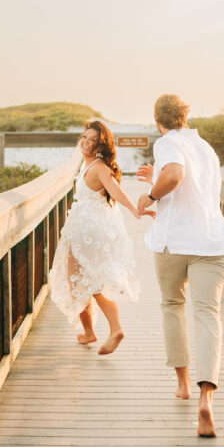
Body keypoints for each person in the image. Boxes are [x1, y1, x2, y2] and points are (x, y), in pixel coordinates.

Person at [137, 94, 224, 437]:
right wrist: (156, 178)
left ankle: (182, 384)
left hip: (173, 241)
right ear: (185, 117)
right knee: (208, 314)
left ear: (158, 121)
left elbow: (175, 175)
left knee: (172, 305)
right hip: (209, 240)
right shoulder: (205, 148)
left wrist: (149, 195)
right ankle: (206, 397)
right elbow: (190, 183)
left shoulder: (167, 142)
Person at [49, 120, 150, 355]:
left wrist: (135, 209)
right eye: (84, 137)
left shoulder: (98, 167)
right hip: (85, 227)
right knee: (79, 281)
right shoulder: (89, 165)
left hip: (87, 231)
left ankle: (115, 329)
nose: (86, 142)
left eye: (92, 140)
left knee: (88, 282)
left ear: (100, 145)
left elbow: (114, 189)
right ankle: (89, 332)